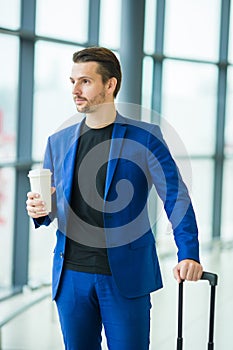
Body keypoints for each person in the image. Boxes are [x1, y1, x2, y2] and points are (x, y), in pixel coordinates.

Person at [26, 46, 203, 350]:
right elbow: (53, 205)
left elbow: (175, 197)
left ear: (110, 85)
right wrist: (39, 209)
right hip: (71, 278)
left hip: (125, 277)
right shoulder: (57, 142)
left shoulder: (145, 137)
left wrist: (188, 252)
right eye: (72, 82)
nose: (75, 90)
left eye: (85, 81)